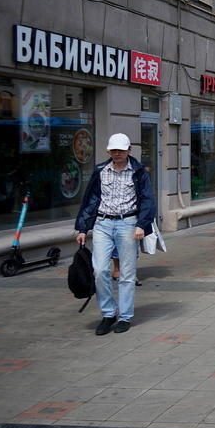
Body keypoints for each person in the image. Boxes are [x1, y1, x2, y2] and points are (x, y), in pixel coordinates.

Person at [74, 133, 156, 335]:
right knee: (100, 270)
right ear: (108, 151)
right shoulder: (100, 170)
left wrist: (142, 225)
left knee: (127, 274)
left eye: (120, 150)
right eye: (113, 150)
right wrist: (83, 228)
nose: (117, 153)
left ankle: (125, 316)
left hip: (128, 223)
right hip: (102, 223)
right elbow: (90, 200)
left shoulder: (138, 172)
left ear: (129, 150)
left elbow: (147, 199)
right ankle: (108, 313)